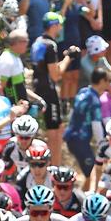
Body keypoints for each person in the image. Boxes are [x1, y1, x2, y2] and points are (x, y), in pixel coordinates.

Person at [31, 12, 79, 157]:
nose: (60, 28)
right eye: (59, 25)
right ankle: (55, 166)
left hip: (38, 86)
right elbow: (56, 75)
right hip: (48, 90)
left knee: (56, 127)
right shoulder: (50, 45)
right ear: (54, 26)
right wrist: (68, 58)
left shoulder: (38, 41)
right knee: (54, 130)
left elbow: (46, 68)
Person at [64, 67, 111, 190]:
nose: (108, 84)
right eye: (107, 81)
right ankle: (85, 200)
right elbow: (96, 125)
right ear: (101, 81)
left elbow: (72, 113)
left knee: (89, 173)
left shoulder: (83, 91)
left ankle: (82, 196)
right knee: (93, 173)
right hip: (80, 140)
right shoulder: (94, 100)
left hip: (71, 136)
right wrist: (102, 144)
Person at [0, 29, 40, 106]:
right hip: (13, 109)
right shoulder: (6, 60)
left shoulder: (16, 57)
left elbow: (20, 86)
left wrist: (38, 99)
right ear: (17, 43)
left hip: (22, 108)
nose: (27, 44)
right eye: (26, 41)